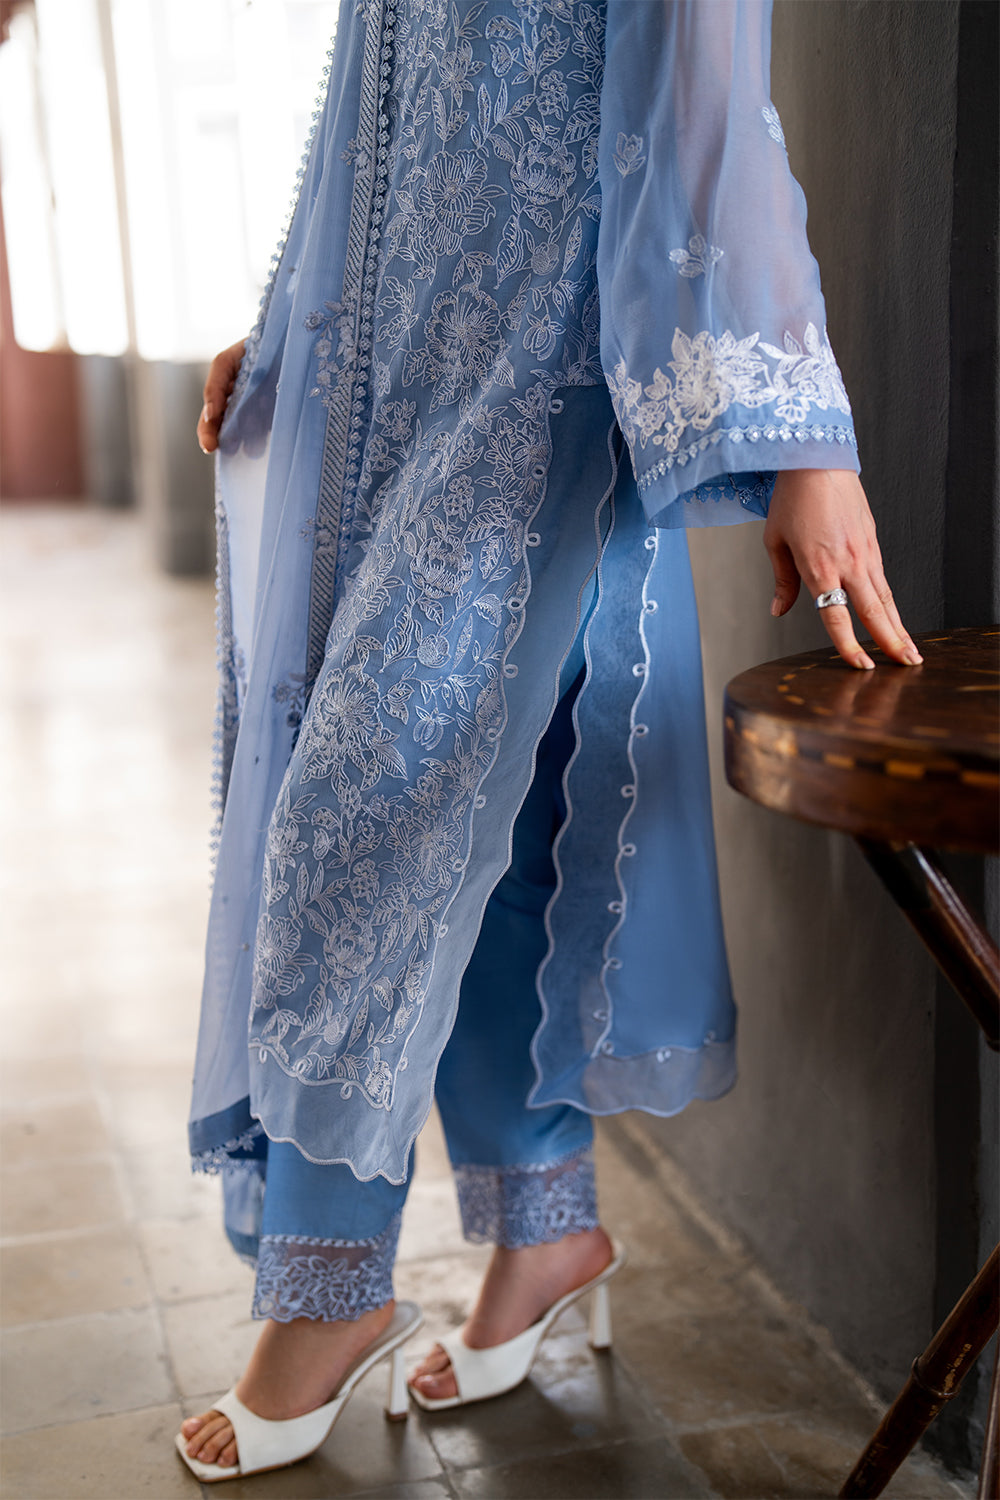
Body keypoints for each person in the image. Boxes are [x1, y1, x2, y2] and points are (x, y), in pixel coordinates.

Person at [177, 0, 922, 1481]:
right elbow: (389, 109)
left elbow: (709, 95)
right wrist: (300, 327)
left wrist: (805, 443)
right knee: (508, 829)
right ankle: (549, 1231)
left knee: (364, 810)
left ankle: (327, 1289)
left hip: (553, 383)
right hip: (396, 388)